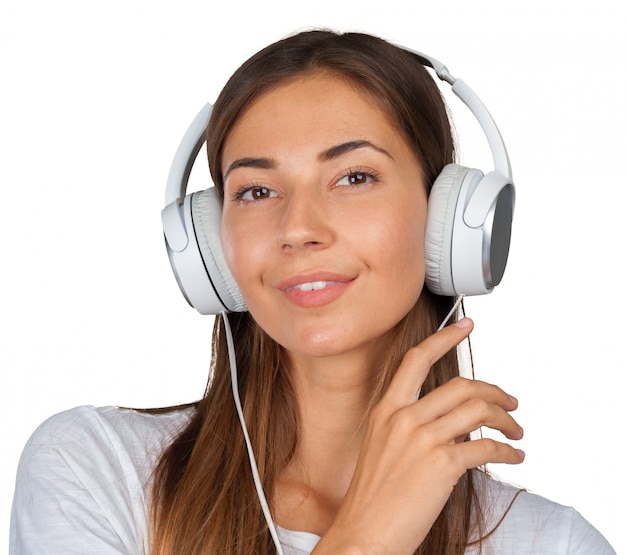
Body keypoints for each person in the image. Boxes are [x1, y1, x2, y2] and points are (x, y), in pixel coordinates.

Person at [10, 30, 615, 555]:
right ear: (210, 248)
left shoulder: (550, 545)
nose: (298, 228)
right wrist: (366, 540)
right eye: (255, 191)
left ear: (446, 219)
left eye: (354, 177)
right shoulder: (95, 469)